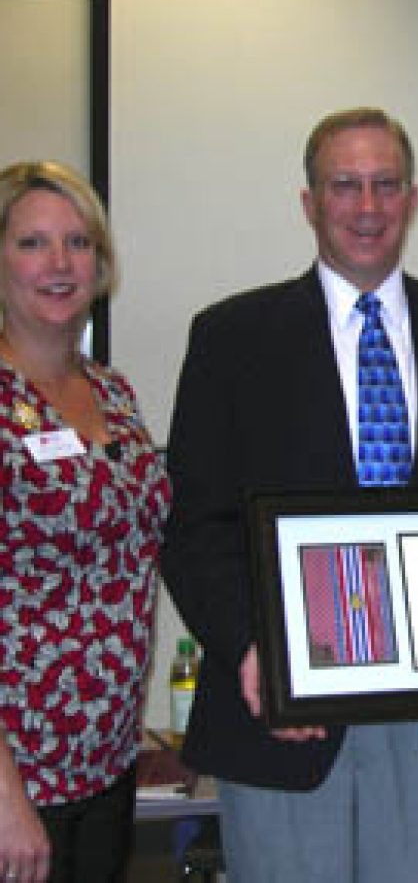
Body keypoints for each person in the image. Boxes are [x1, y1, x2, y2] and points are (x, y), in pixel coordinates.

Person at [161, 107, 418, 882]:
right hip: (284, 707)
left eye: (386, 185)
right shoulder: (231, 338)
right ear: (309, 202)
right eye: (344, 185)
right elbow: (195, 524)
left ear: (412, 201)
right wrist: (253, 647)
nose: (367, 207)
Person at [0, 161, 171, 883]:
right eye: (34, 243)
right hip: (17, 782)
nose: (61, 264)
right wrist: (4, 794)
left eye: (79, 242)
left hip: (106, 765)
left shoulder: (113, 392)